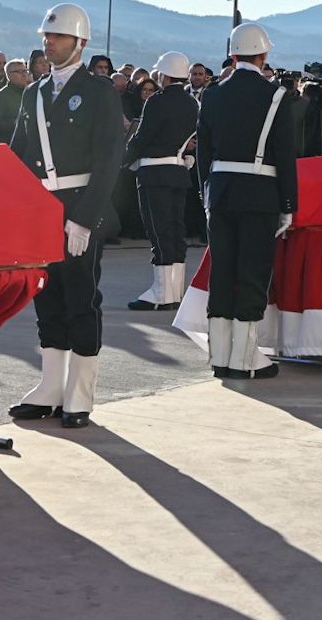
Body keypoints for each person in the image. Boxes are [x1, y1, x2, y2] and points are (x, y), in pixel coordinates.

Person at [7, 4, 124, 429]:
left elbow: (110, 158)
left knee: (81, 298)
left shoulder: (99, 91)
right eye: (45, 36)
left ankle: (80, 393)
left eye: (56, 37)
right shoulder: (33, 93)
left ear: (80, 43)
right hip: (42, 208)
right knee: (47, 298)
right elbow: (20, 154)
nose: (48, 42)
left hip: (79, 204)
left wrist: (85, 217)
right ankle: (50, 387)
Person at [196, 23, 298, 380]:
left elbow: (203, 154)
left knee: (222, 271)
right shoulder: (277, 96)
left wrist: (205, 193)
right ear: (264, 55)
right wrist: (289, 203)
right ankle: (245, 357)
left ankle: (220, 356)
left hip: (220, 192)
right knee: (253, 273)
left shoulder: (212, 94)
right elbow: (285, 155)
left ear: (234, 54)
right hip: (260, 194)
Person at [123, 51, 199, 312]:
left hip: (155, 173)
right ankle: (175, 291)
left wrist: (122, 160)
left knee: (159, 232)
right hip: (178, 173)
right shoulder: (192, 103)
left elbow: (142, 137)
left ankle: (161, 293)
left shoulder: (157, 101)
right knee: (176, 232)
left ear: (164, 75)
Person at [0, 58, 30, 140]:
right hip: (11, 141)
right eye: (19, 72)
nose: (24, 74)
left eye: (25, 71)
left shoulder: (31, 93)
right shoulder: (0, 96)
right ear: (9, 74)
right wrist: (17, 122)